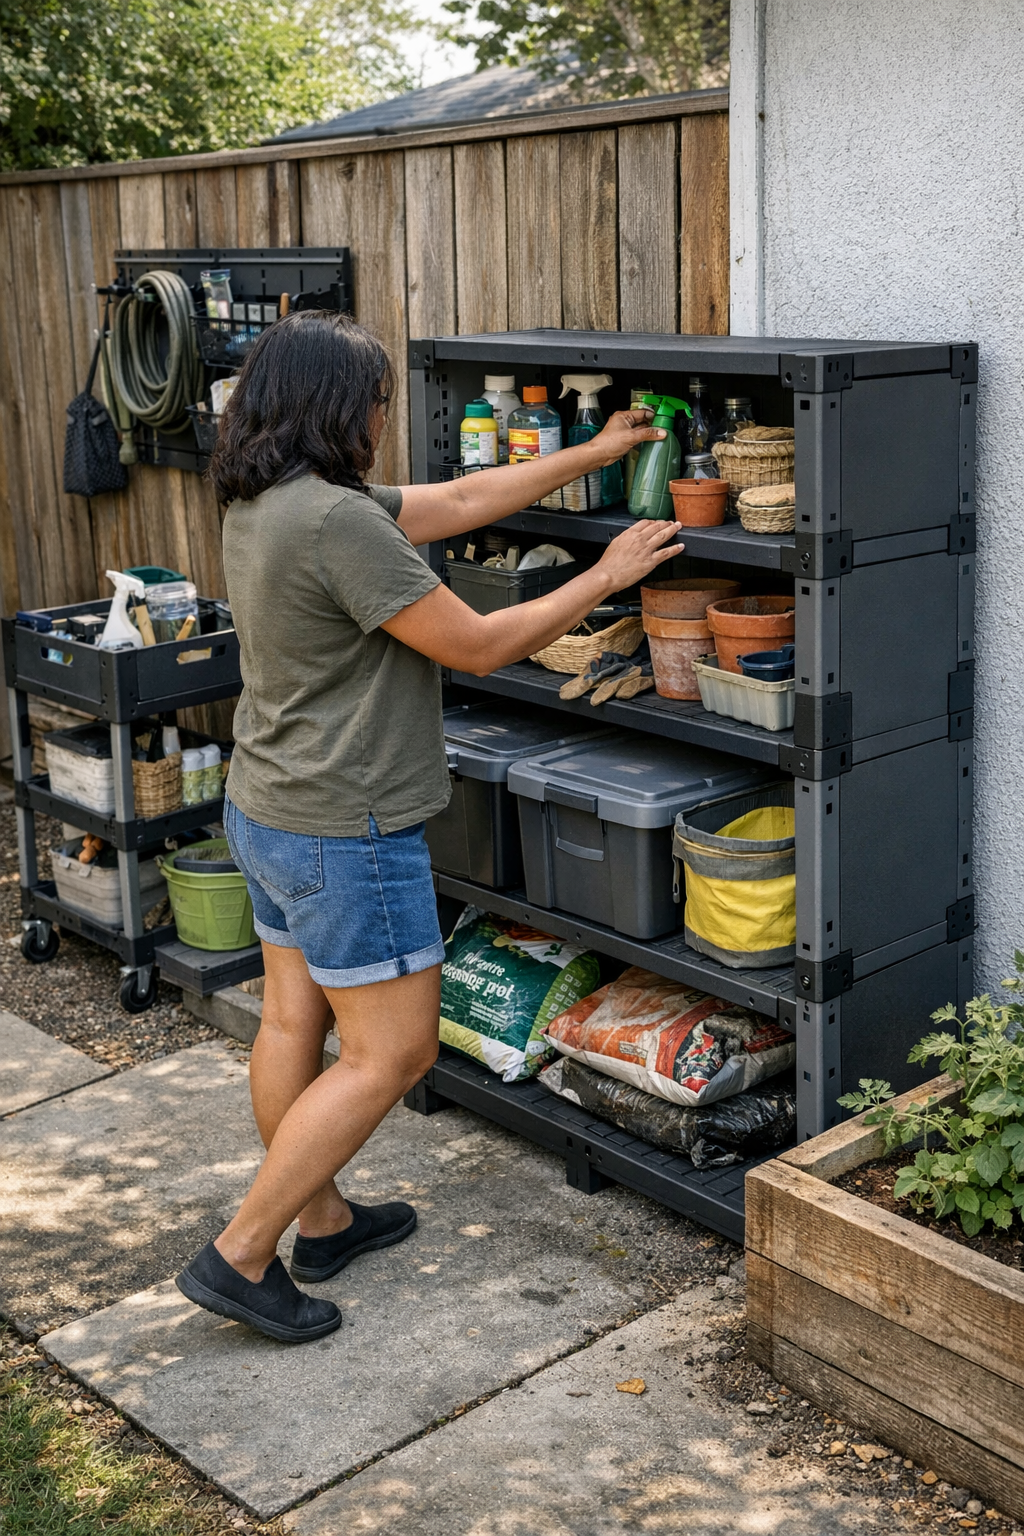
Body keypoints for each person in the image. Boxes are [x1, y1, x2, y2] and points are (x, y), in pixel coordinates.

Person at [175, 312, 681, 1342]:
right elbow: (482, 645)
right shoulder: (338, 522)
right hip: (344, 826)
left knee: (291, 1024)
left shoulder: (267, 497)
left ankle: (321, 1221)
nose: (377, 417)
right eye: (373, 401)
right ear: (335, 406)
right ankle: (241, 1253)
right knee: (389, 1057)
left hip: (269, 803)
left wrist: (593, 449)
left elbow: (454, 501)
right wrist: (605, 575)